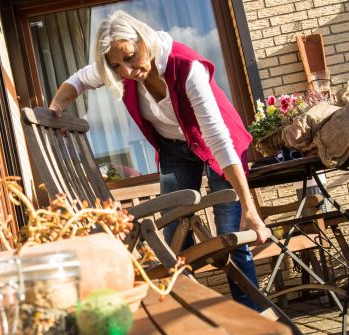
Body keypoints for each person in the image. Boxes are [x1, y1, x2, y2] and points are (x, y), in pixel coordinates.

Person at [48, 10, 267, 309]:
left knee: (233, 229)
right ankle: (189, 313)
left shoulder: (186, 66)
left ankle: (250, 314)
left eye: (129, 57)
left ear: (142, 39)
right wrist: (57, 104)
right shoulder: (117, 67)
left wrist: (250, 208)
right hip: (175, 149)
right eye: (115, 65)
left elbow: (217, 138)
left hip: (216, 142)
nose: (125, 70)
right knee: (175, 233)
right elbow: (79, 80)